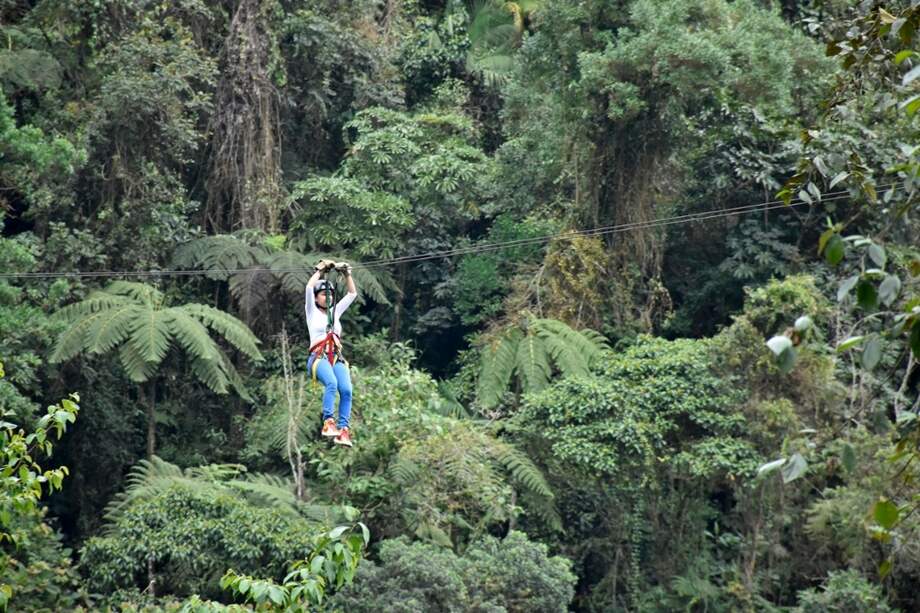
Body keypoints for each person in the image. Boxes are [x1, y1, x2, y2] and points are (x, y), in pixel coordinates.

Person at [305, 259, 357, 447]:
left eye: (330, 295)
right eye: (323, 295)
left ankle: (343, 430)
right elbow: (308, 288)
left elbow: (352, 294)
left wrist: (346, 273)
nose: (327, 298)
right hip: (318, 357)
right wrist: (320, 271)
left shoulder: (335, 312)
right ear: (317, 297)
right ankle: (328, 422)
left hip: (335, 357)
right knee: (332, 384)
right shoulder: (312, 311)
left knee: (347, 390)